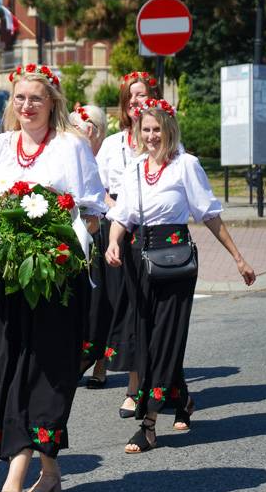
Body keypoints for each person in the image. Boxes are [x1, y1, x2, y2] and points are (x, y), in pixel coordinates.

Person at [0, 65, 106, 492]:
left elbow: (92, 212)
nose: (26, 106)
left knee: (44, 371)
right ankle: (49, 472)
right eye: (20, 98)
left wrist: (56, 244)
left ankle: (11, 487)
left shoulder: (70, 147)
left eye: (36, 99)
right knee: (13, 366)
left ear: (53, 103)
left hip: (54, 278)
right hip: (7, 278)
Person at [105, 99, 255, 453]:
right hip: (139, 255)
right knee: (146, 335)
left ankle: (148, 423)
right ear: (139, 133)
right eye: (146, 130)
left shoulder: (186, 165)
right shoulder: (136, 168)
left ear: (169, 131)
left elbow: (209, 213)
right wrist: (113, 243)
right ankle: (182, 399)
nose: (152, 136)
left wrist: (238, 258)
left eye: (158, 129)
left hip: (175, 257)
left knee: (166, 336)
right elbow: (123, 215)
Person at [96, 72, 161, 417]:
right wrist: (117, 214)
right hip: (120, 228)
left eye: (142, 95)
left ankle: (160, 384)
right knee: (128, 308)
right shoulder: (111, 144)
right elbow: (98, 187)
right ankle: (135, 385)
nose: (136, 101)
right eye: (131, 97)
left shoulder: (160, 138)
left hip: (153, 227)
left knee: (154, 309)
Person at [68, 105, 110, 387]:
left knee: (101, 300)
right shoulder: (70, 154)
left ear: (92, 129)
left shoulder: (104, 156)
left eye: (77, 127)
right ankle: (82, 353)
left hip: (101, 231)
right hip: (77, 231)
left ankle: (99, 362)